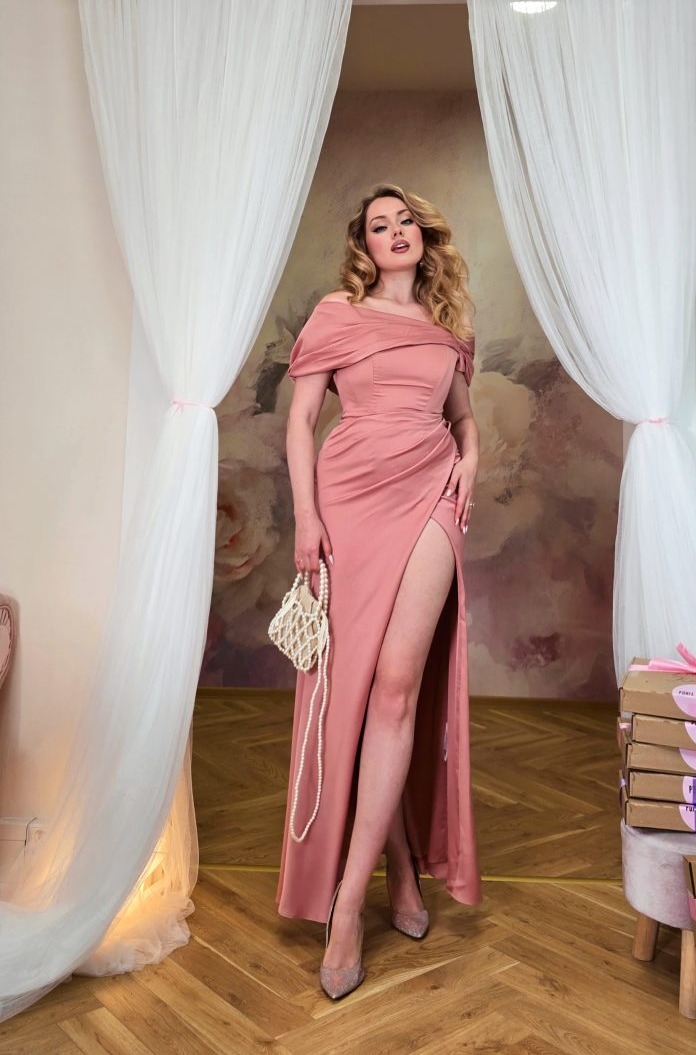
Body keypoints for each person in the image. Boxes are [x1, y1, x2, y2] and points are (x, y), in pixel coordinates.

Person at [276, 182, 482, 999]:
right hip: (349, 497)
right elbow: (300, 422)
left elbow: (462, 417)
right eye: (378, 225)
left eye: (405, 221)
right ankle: (397, 859)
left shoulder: (448, 323)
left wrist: (471, 459)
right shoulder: (337, 312)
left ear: (424, 236)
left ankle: (347, 906)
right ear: (364, 244)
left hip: (431, 494)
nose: (394, 232)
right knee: (357, 693)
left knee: (397, 685)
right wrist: (305, 517)